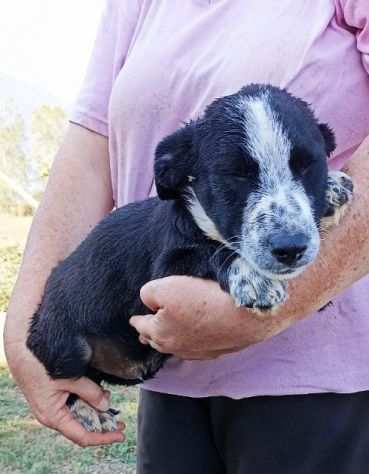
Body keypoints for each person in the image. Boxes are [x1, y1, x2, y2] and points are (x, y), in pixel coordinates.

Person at [4, 1, 369, 472]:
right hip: (168, 375)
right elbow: (89, 148)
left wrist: (279, 307)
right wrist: (27, 334)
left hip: (315, 380)